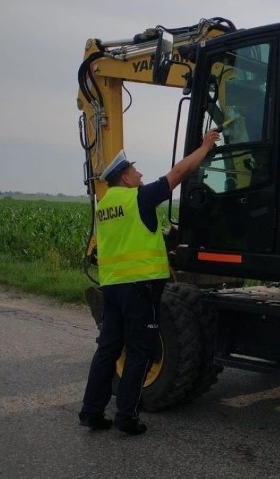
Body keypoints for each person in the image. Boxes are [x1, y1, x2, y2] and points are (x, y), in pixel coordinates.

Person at [78, 129, 220, 435]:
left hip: (114, 287)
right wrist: (206, 145)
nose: (140, 173)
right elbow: (181, 171)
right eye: (134, 170)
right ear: (125, 178)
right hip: (140, 289)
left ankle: (91, 412)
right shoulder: (138, 198)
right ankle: (126, 416)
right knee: (141, 351)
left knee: (108, 350)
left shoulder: (104, 206)